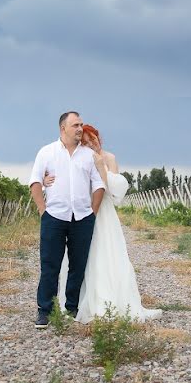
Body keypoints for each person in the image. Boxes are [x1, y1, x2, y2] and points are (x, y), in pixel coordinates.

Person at [47, 124, 162, 323]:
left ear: (99, 138)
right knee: (82, 257)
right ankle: (77, 303)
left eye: (94, 139)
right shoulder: (79, 158)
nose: (92, 143)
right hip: (83, 212)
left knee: (107, 254)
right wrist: (46, 179)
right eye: (87, 141)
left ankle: (109, 303)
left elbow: (116, 193)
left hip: (105, 215)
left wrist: (101, 167)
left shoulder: (109, 158)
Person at [28, 111, 105, 329]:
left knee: (77, 265)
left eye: (81, 125)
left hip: (82, 218)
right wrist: (43, 210)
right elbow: (34, 181)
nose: (80, 129)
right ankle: (45, 311)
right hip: (54, 217)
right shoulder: (47, 152)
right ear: (63, 128)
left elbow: (98, 184)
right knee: (50, 265)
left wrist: (93, 212)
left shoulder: (88, 156)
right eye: (76, 125)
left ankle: (71, 308)